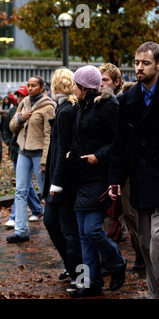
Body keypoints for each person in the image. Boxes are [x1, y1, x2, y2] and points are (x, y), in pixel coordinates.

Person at [69, 65, 126, 298]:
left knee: (92, 230)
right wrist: (73, 153)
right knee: (83, 234)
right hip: (82, 177)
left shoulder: (108, 105)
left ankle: (116, 261)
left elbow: (119, 140)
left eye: (75, 84)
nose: (72, 88)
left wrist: (98, 156)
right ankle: (90, 283)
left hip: (100, 176)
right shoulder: (83, 106)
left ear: (84, 87)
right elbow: (82, 137)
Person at [108, 41, 159, 299]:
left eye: (145, 63)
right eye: (137, 63)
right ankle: (154, 293)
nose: (139, 68)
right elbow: (121, 145)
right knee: (144, 243)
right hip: (140, 181)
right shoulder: (128, 99)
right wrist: (115, 180)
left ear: (158, 65)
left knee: (157, 244)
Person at [99, 63, 145, 270]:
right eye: (99, 80)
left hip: (123, 169)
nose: (101, 84)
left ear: (116, 83)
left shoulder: (118, 104)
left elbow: (120, 141)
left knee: (130, 214)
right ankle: (108, 259)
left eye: (105, 80)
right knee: (105, 216)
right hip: (104, 169)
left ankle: (142, 257)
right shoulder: (97, 103)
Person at [42, 68, 82, 292]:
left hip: (63, 181)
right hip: (59, 179)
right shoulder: (65, 108)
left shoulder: (66, 110)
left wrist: (55, 183)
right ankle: (72, 267)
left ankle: (79, 274)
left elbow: (62, 149)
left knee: (68, 230)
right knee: (53, 223)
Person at [8, 76, 55, 242]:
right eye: (28, 85)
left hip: (39, 154)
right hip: (23, 151)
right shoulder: (24, 102)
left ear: (42, 87)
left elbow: (49, 135)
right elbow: (12, 126)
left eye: (33, 85)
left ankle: (53, 228)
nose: (30, 88)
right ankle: (21, 230)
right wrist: (21, 118)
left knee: (46, 192)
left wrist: (44, 160)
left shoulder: (48, 106)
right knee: (20, 191)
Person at [3, 85, 43, 229]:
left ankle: (16, 216)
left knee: (27, 186)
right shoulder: (15, 109)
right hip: (17, 152)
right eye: (18, 96)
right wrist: (9, 142)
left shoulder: (43, 107)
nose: (20, 98)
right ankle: (36, 211)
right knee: (23, 186)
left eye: (22, 95)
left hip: (33, 152)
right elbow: (8, 128)